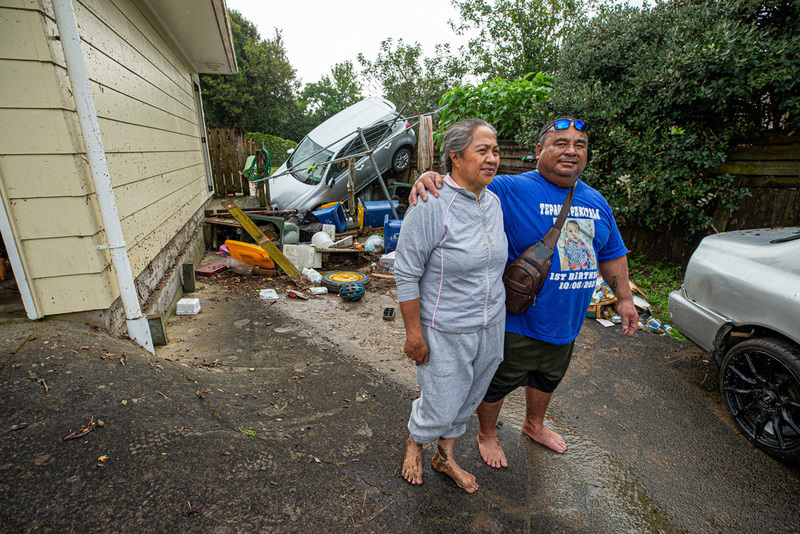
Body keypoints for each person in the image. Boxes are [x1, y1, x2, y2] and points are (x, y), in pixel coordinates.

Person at [410, 117, 638, 468]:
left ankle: (534, 424)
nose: (571, 151)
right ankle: (486, 433)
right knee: (497, 384)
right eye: (561, 143)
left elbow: (612, 254)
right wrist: (429, 177)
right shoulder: (509, 188)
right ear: (539, 151)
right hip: (517, 320)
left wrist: (623, 299)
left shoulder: (596, 200)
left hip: (567, 321)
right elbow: (463, 184)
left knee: (548, 377)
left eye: (580, 145)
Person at [395, 118, 508, 493]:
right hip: (445, 328)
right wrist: (414, 335)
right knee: (442, 403)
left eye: (495, 150)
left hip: (491, 325)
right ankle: (416, 440)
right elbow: (406, 273)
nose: (492, 158)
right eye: (482, 150)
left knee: (469, 397)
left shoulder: (492, 202)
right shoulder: (429, 204)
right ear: (455, 157)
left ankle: (444, 456)